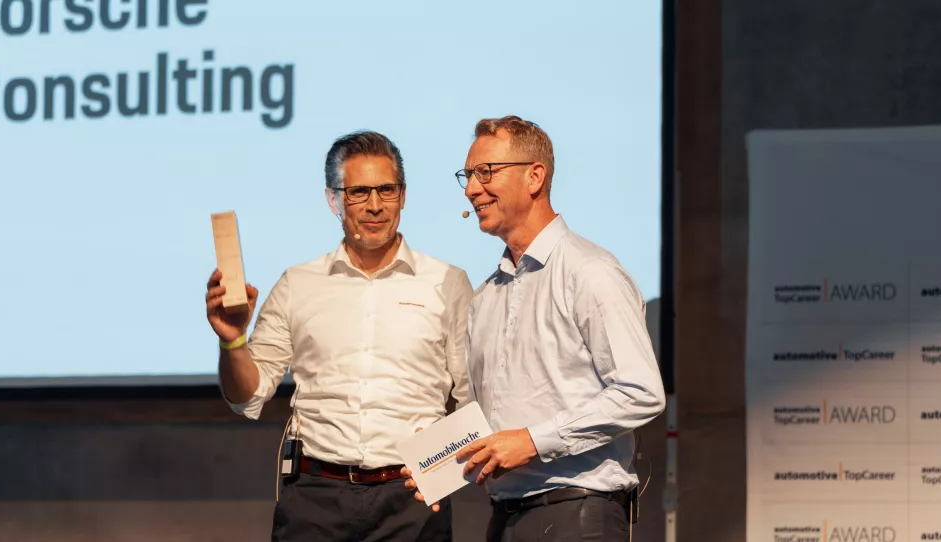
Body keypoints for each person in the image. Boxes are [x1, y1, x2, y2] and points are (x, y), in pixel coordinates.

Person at [403, 116, 666, 541]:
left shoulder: (589, 272)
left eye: (485, 172)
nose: (471, 189)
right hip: (505, 517)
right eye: (467, 176)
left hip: (578, 513)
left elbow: (641, 392)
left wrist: (535, 440)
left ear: (534, 176)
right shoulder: (487, 295)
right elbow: (491, 418)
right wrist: (438, 464)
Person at [206, 130, 473, 542]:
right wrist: (232, 340)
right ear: (334, 200)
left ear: (403, 195)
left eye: (387, 189)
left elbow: (473, 398)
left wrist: (442, 470)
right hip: (316, 498)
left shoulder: (448, 282)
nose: (375, 205)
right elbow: (246, 397)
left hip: (411, 497)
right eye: (359, 191)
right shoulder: (299, 283)